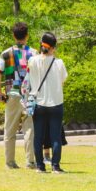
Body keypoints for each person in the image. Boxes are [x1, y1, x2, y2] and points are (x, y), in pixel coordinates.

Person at [0, 21, 37, 169]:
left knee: (10, 130)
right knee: (30, 129)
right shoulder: (34, 53)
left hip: (12, 94)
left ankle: (10, 162)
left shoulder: (5, 54)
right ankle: (31, 161)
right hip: (29, 95)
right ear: (27, 35)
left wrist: (0, 94)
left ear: (13, 35)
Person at [27, 32, 68, 173]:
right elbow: (63, 80)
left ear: (41, 44)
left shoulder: (32, 61)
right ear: (53, 48)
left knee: (38, 136)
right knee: (55, 135)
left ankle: (40, 166)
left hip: (38, 103)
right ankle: (55, 166)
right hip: (56, 102)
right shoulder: (59, 63)